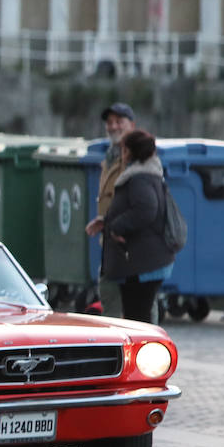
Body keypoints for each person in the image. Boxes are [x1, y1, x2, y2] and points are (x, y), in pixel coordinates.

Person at [102, 129, 175, 324]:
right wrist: (105, 222)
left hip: (142, 263)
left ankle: (145, 354)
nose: (121, 154)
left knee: (138, 319)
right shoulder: (148, 174)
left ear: (130, 152)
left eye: (124, 150)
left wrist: (117, 227)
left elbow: (146, 209)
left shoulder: (139, 178)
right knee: (138, 315)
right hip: (143, 261)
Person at [85, 102, 138, 318]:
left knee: (133, 304)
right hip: (110, 239)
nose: (113, 126)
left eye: (119, 122)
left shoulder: (134, 157)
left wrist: (115, 226)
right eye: (110, 122)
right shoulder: (110, 156)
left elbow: (139, 204)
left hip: (128, 243)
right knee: (110, 296)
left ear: (132, 125)